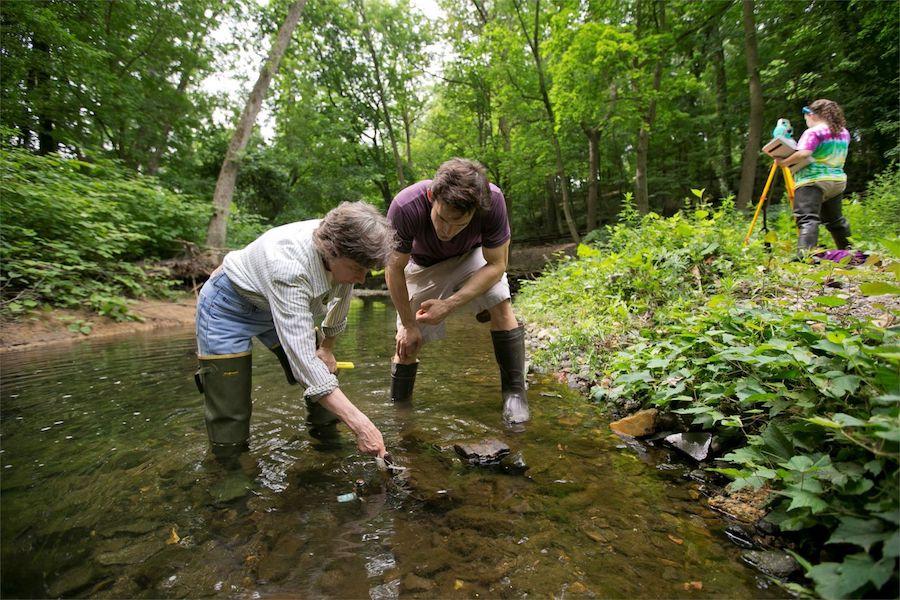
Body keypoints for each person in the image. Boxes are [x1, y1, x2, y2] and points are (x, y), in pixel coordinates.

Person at [194, 202, 394, 459]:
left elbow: (341, 299)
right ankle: (230, 472)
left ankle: (327, 445)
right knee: (230, 408)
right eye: (358, 269)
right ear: (331, 252)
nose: (363, 279)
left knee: (325, 368)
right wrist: (361, 425)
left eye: (367, 270)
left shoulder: (346, 245)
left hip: (277, 304)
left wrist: (328, 348)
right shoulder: (289, 268)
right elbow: (303, 363)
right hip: (227, 307)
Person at [385, 157, 529, 427]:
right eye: (441, 218)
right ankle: (400, 412)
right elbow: (393, 270)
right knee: (408, 340)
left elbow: (498, 264)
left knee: (500, 301)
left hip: (473, 259)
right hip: (422, 266)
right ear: (431, 196)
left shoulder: (494, 200)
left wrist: (450, 304)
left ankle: (514, 393)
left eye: (459, 224)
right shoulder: (405, 206)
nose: (447, 231)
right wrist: (407, 323)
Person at [777, 98, 852, 256]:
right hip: (836, 182)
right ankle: (851, 254)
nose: (806, 122)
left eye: (806, 118)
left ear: (812, 115)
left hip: (813, 180)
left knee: (807, 219)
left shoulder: (813, 132)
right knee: (836, 221)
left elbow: (804, 153)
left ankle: (804, 258)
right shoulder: (843, 132)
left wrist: (785, 162)